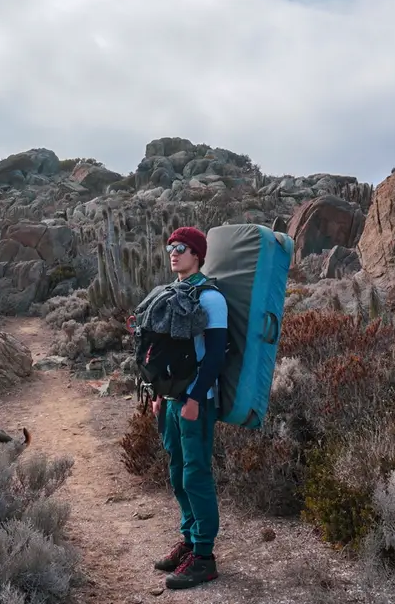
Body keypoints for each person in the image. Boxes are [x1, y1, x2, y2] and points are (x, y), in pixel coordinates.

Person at [151, 226, 228, 590]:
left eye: (180, 247)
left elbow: (214, 356)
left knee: (196, 475)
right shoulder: (172, 293)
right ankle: (189, 539)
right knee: (177, 471)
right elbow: (162, 350)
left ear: (197, 254)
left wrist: (196, 399)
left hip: (197, 399)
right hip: (171, 398)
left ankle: (204, 557)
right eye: (170, 247)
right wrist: (158, 394)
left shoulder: (211, 299)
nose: (173, 252)